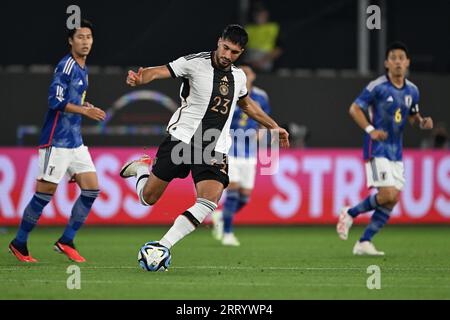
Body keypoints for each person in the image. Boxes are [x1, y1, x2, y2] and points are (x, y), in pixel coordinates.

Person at [121, 25, 289, 267]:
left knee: (209, 201)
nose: (227, 55)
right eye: (225, 48)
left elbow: (247, 105)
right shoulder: (194, 62)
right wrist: (140, 78)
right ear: (218, 41)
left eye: (234, 52)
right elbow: (159, 71)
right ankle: (140, 169)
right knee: (147, 198)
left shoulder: (239, 76)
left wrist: (274, 126)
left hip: (214, 148)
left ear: (240, 53)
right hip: (181, 138)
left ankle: (162, 246)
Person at [9, 20, 106, 263]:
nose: (85, 41)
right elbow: (54, 101)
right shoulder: (66, 66)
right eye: (80, 37)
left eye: (89, 37)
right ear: (70, 41)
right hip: (57, 141)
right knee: (45, 193)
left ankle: (66, 240)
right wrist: (84, 112)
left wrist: (84, 106)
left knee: (92, 189)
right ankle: (19, 243)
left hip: (75, 141)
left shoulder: (83, 68)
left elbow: (70, 100)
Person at [336, 42, 433, 255]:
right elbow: (354, 108)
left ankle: (364, 242)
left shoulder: (412, 90)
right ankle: (350, 213)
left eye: (401, 57)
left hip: (396, 151)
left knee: (393, 198)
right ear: (387, 63)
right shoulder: (377, 87)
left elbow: (413, 116)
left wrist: (422, 121)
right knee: (387, 193)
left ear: (407, 62)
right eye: (394, 58)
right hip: (376, 147)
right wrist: (371, 129)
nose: (398, 61)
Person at [211, 65, 271, 246]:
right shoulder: (228, 92)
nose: (246, 75)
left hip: (250, 152)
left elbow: (264, 117)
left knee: (245, 197)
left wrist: (262, 132)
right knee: (233, 194)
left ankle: (221, 216)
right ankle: (228, 234)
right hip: (230, 151)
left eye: (249, 73)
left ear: (252, 76)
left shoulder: (261, 96)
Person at [243, 3, 283, 72]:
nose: (259, 16)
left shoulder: (273, 28)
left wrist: (262, 61)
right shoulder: (248, 28)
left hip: (266, 61)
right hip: (249, 61)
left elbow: (279, 48)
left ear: (266, 14)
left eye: (262, 14)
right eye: (257, 14)